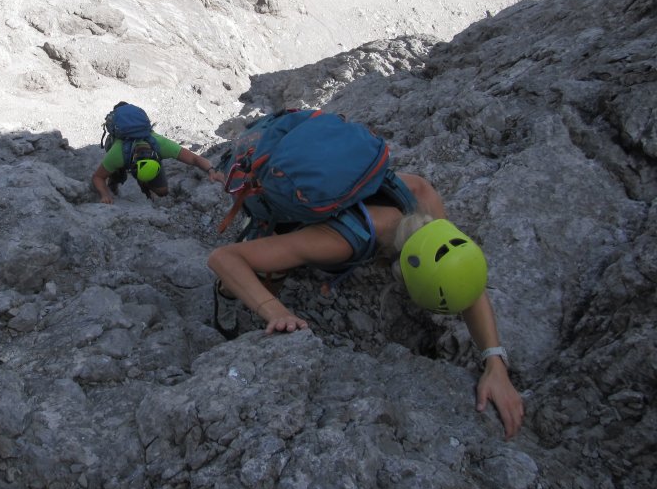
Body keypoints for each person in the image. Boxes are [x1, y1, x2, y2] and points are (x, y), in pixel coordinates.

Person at [207, 171, 525, 440]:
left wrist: (495, 362)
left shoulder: (423, 199)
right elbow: (224, 258)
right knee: (268, 276)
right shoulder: (342, 241)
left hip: (324, 190)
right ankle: (227, 294)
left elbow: (459, 274)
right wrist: (275, 310)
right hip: (274, 189)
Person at [91, 128, 225, 203]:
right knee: (115, 177)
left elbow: (195, 158)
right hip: (123, 154)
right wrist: (104, 194)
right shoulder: (117, 154)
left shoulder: (162, 145)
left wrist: (211, 170)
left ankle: (146, 186)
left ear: (157, 159)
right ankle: (114, 182)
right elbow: (98, 177)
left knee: (162, 191)